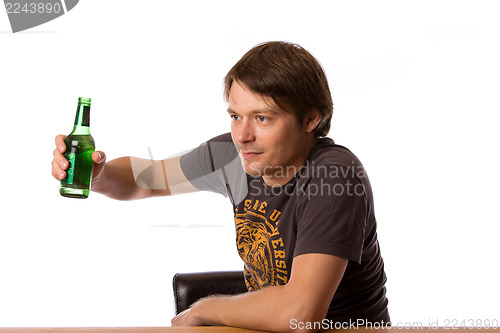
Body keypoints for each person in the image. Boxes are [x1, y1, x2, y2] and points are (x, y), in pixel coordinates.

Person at [51, 41, 390, 332]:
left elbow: (299, 314)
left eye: (262, 118)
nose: (242, 136)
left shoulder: (335, 175)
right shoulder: (234, 156)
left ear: (310, 119)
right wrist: (96, 174)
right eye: (235, 116)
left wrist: (204, 308)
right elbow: (146, 180)